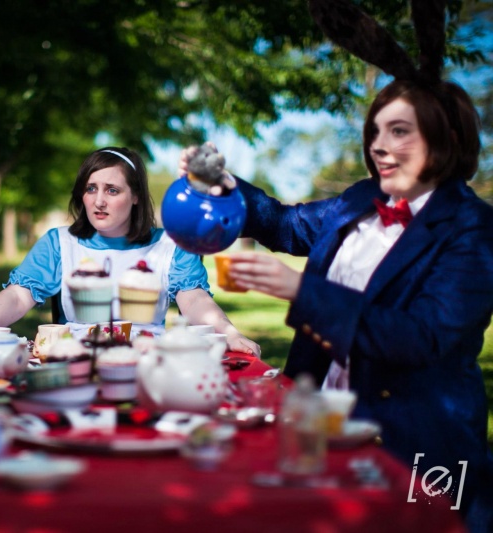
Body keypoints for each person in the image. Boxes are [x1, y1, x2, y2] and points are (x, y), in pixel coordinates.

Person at [177, 3, 493, 525]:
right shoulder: (357, 200)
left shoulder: (473, 229)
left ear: (448, 139)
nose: (379, 147)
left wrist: (301, 293)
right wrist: (226, 187)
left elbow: (423, 338)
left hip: (418, 445)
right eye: (376, 131)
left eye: (399, 132)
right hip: (321, 423)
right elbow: (282, 222)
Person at [0, 147, 260, 359]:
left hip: (147, 367)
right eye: (91, 189)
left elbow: (194, 300)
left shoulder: (172, 245)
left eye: (112, 190)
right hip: (72, 366)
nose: (98, 201)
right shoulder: (58, 242)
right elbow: (18, 297)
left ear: (135, 197)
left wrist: (229, 334)